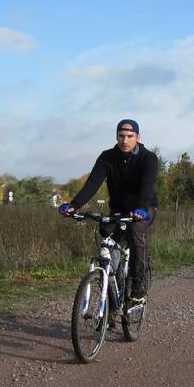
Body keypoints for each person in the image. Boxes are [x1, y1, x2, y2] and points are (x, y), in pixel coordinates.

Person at [60, 119, 158, 303]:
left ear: (138, 137)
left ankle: (138, 282)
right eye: (121, 136)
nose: (125, 140)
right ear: (116, 136)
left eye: (130, 136)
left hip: (144, 208)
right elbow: (92, 184)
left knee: (136, 231)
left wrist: (141, 208)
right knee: (106, 233)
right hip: (119, 209)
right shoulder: (107, 157)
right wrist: (74, 205)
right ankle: (113, 291)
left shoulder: (148, 158)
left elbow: (146, 187)